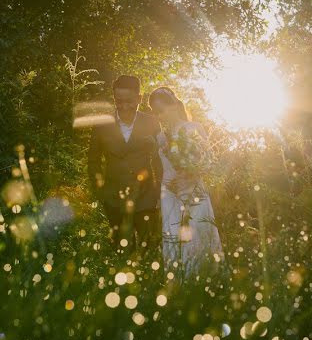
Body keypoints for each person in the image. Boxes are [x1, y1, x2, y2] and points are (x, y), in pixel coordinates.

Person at [148, 87, 223, 279]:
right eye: (155, 113)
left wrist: (189, 177)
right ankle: (178, 283)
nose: (159, 116)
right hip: (169, 194)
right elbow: (161, 168)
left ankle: (204, 280)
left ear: (173, 106)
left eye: (161, 110)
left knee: (198, 234)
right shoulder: (160, 137)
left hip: (194, 191)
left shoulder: (193, 128)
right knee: (173, 237)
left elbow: (207, 161)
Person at [88, 75, 162, 257]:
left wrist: (160, 191)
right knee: (120, 252)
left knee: (147, 252)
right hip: (113, 197)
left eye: (129, 101)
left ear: (139, 98)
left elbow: (160, 158)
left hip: (146, 196)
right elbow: (93, 160)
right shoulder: (101, 124)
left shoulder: (151, 122)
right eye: (118, 101)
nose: (124, 106)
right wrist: (100, 191)